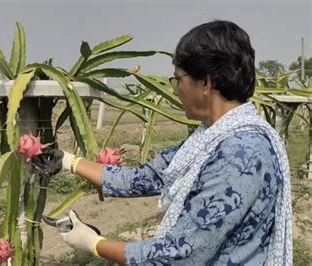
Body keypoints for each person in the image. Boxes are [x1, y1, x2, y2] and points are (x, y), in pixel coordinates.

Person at [33, 20, 292, 265]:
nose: (175, 89)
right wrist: (69, 161)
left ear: (206, 83)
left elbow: (178, 254)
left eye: (178, 79)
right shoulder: (210, 138)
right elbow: (146, 177)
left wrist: (94, 243)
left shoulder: (240, 155)